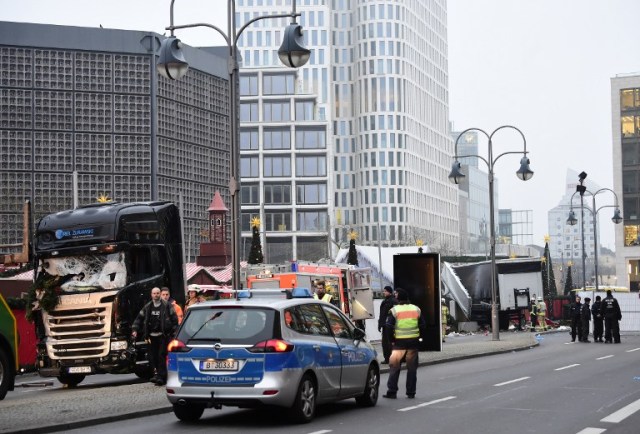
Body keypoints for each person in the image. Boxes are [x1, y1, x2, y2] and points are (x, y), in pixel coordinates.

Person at [383, 288, 426, 400]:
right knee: (412, 369)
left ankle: (392, 392)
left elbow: (388, 326)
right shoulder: (416, 309)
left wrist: (391, 340)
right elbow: (423, 325)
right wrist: (420, 337)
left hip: (398, 343)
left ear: (398, 297)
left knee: (394, 367)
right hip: (413, 342)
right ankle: (411, 392)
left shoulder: (394, 310)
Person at [131, 287, 179, 386]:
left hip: (163, 336)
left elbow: (174, 319)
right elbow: (139, 318)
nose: (156, 295)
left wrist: (174, 332)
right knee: (152, 357)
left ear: (160, 294)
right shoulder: (148, 306)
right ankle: (156, 375)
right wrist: (135, 330)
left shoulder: (167, 305)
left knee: (161, 355)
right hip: (151, 336)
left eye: (157, 293)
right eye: (154, 293)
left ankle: (162, 376)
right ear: (151, 294)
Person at [378, 286, 397, 364]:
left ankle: (392, 359)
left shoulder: (394, 301)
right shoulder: (384, 301)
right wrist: (380, 324)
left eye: (385, 291)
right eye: (384, 291)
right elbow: (382, 315)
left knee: (390, 343)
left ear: (389, 292)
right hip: (384, 325)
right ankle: (387, 359)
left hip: (390, 325)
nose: (384, 292)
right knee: (385, 343)